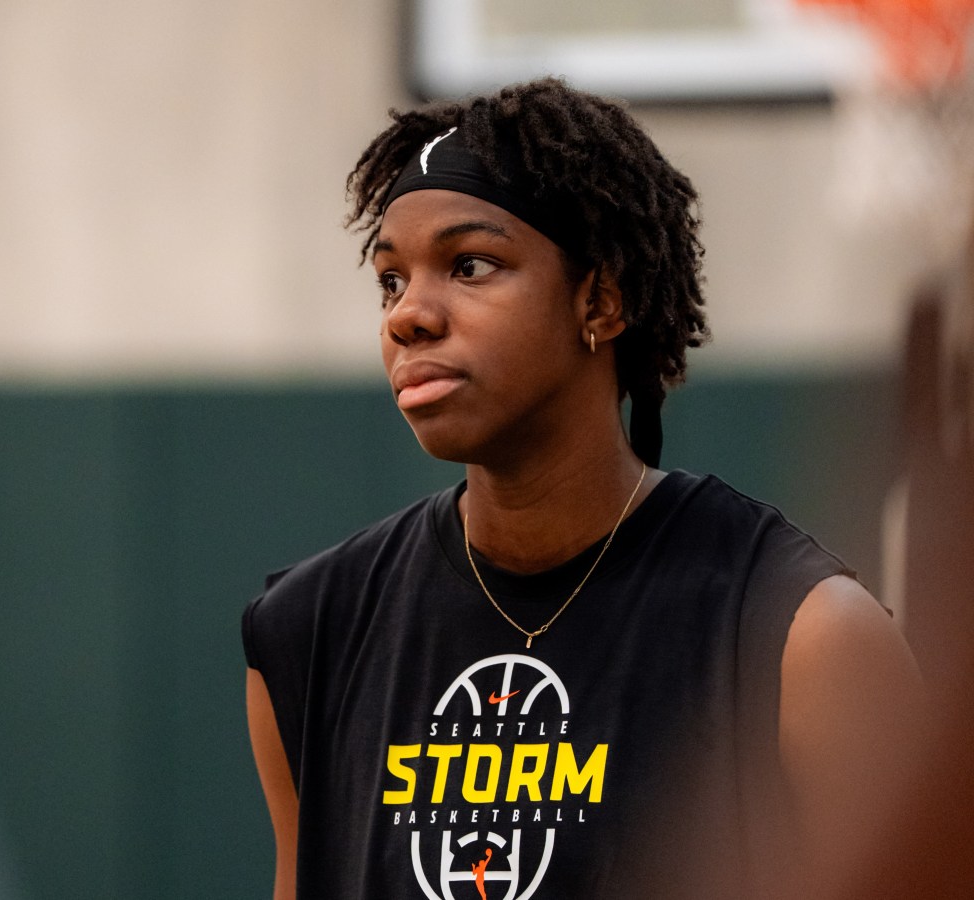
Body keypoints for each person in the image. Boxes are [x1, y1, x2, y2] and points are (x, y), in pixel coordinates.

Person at [243, 78, 922, 899]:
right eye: (391, 280)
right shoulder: (312, 632)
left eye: (469, 265)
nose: (407, 316)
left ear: (600, 301)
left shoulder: (803, 637)